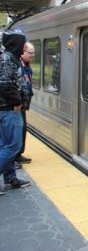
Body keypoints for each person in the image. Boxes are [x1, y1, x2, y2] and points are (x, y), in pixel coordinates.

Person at [0, 30, 31, 194]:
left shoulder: (11, 58)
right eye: (23, 42)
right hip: (10, 110)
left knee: (5, 145)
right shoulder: (7, 59)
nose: (24, 46)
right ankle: (9, 177)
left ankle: (10, 178)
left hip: (9, 109)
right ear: (16, 43)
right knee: (13, 146)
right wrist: (17, 102)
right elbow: (4, 84)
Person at [15, 41, 35, 166]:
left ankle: (18, 154)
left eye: (33, 53)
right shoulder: (18, 65)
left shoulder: (26, 64)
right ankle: (14, 157)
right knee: (18, 129)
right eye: (30, 53)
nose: (32, 55)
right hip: (17, 104)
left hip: (23, 103)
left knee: (23, 129)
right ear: (22, 52)